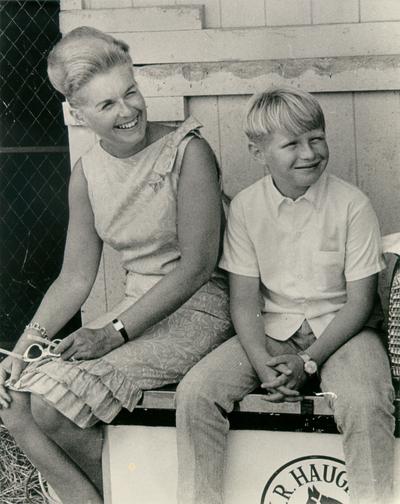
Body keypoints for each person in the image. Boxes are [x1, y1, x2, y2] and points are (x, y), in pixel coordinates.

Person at [0, 26, 232, 504]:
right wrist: (23, 350)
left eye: (131, 92)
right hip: (135, 310)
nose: (128, 111)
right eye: (107, 105)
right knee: (18, 404)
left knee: (53, 406)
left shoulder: (189, 152)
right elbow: (75, 277)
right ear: (77, 112)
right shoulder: (87, 173)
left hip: (200, 307)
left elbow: (197, 266)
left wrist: (113, 334)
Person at [176, 87, 396, 504]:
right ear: (259, 154)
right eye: (291, 143)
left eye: (316, 138)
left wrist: (308, 362)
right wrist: (263, 365)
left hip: (345, 332)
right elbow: (243, 302)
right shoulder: (244, 207)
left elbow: (360, 302)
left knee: (366, 402)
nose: (309, 152)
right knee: (196, 393)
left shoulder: (353, 205)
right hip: (273, 331)